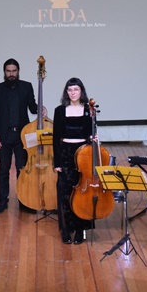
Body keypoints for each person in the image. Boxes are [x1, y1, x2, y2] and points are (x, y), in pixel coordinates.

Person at [0, 58, 41, 214]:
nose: (11, 74)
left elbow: (32, 107)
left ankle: (24, 201)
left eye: (14, 71)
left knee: (23, 169)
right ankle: (3, 201)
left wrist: (41, 108)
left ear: (18, 71)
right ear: (4, 72)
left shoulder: (26, 87)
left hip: (22, 135)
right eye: (8, 71)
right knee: (4, 169)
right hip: (4, 136)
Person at [51, 77, 96, 245]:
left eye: (76, 89)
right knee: (65, 192)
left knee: (82, 194)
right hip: (65, 154)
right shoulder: (59, 110)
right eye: (70, 90)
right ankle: (66, 229)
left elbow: (90, 135)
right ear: (66, 92)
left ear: (81, 91)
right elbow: (56, 138)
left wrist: (94, 138)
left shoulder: (89, 110)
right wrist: (57, 163)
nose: (73, 93)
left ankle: (79, 229)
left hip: (83, 155)